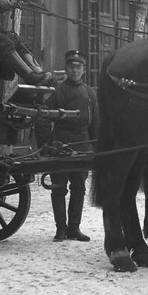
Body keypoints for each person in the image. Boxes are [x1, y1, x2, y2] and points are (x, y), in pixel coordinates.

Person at [36, 50, 99, 242]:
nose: (75, 70)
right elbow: (43, 118)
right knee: (59, 187)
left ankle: (74, 228)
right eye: (72, 67)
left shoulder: (89, 93)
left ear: (84, 70)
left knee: (79, 187)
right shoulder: (59, 91)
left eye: (78, 67)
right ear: (66, 69)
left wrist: (96, 145)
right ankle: (60, 229)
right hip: (61, 142)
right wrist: (45, 145)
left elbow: (95, 121)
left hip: (83, 143)